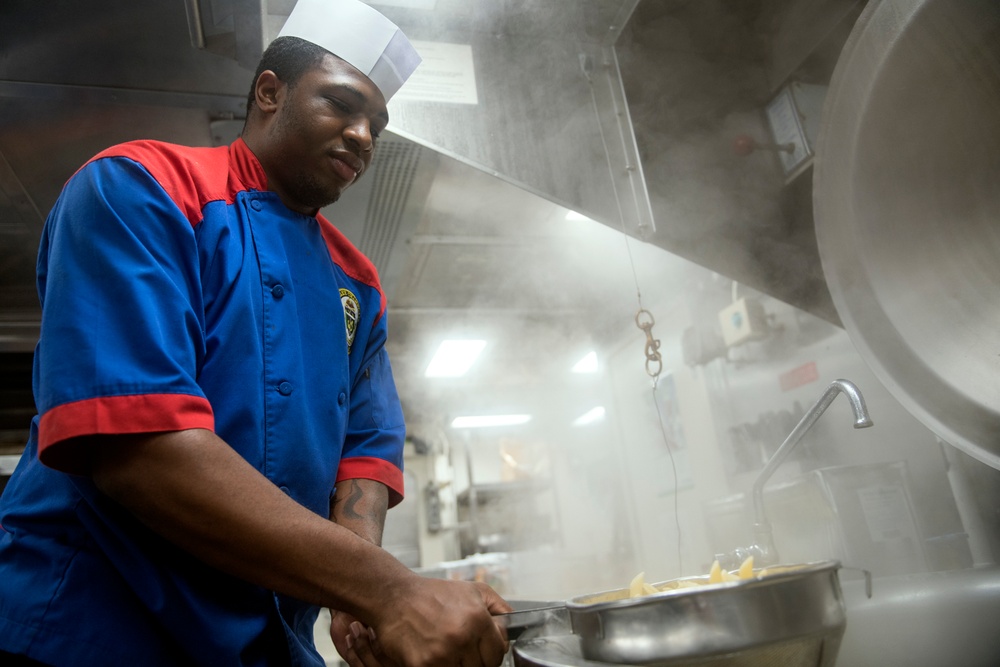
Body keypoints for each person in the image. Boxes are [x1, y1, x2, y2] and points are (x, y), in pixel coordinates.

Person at [0, 0, 512, 665]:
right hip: (88, 627)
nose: (362, 135)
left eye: (376, 125)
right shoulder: (142, 188)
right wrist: (385, 590)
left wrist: (354, 599)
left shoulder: (356, 284)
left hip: (264, 644)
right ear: (269, 91)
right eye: (340, 104)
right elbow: (137, 443)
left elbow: (362, 459)